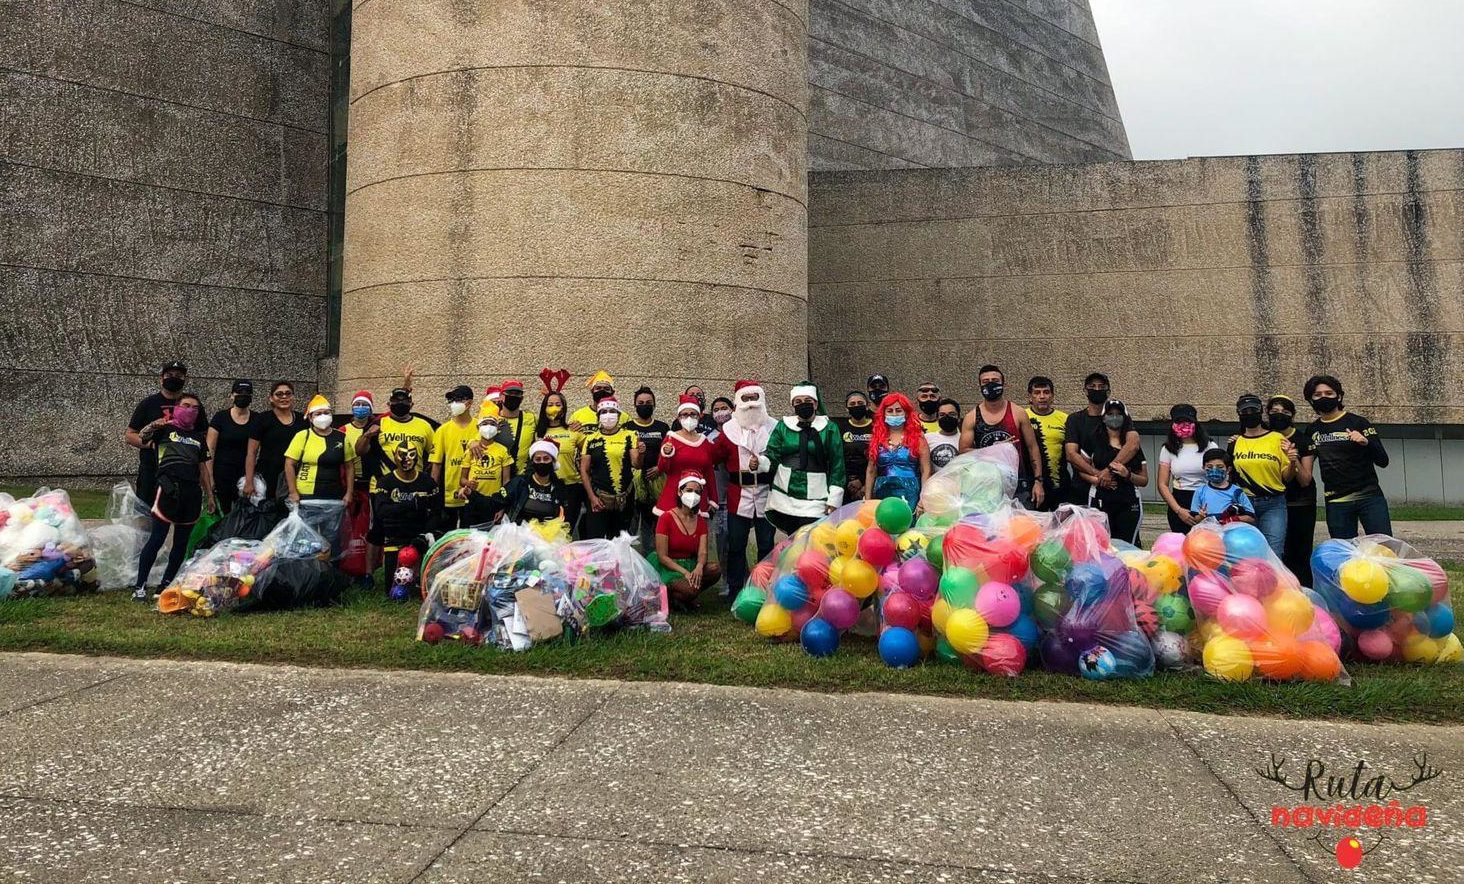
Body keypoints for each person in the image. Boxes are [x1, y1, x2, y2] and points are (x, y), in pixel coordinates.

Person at [132, 392, 213, 601]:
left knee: (181, 543)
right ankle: (139, 587)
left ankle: (164, 585)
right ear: (177, 408)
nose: (190, 410)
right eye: (186, 405)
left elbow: (203, 467)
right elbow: (142, 436)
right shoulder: (165, 430)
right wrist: (155, 424)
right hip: (168, 489)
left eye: (195, 408)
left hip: (191, 493)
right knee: (157, 538)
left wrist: (210, 495)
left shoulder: (198, 438)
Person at [1298, 375, 1392, 540]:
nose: (1324, 397)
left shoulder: (1359, 423)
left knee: (1384, 548)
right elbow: (1305, 466)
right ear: (1311, 400)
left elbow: (1383, 461)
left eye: (1329, 393)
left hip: (1369, 497)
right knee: (1344, 552)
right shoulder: (1312, 430)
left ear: (1339, 396)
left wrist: (1365, 442)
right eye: (1318, 395)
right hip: (1336, 501)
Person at [711, 380, 777, 600]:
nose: (750, 404)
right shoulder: (728, 431)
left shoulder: (775, 428)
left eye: (754, 398)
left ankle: (766, 588)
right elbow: (711, 457)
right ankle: (736, 589)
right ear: (738, 402)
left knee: (766, 544)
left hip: (766, 494)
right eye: (745, 399)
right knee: (736, 545)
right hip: (737, 494)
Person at [959, 366, 1045, 508]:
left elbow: (1032, 448)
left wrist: (1038, 482)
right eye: (986, 381)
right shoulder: (972, 417)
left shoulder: (1018, 413)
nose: (990, 384)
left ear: (1003, 384)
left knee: (1019, 528)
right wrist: (995, 450)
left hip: (1018, 484)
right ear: (980, 385)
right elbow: (963, 451)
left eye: (995, 380)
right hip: (986, 485)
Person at [765, 382, 846, 534]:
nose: (803, 405)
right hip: (785, 491)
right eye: (798, 402)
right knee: (792, 540)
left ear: (815, 404)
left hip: (817, 491)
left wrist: (835, 497)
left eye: (808, 402)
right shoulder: (783, 426)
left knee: (813, 538)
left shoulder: (829, 428)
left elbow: (837, 463)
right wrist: (760, 462)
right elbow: (772, 453)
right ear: (792, 405)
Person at [1229, 392, 1296, 558]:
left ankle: (1273, 584)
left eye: (1253, 410)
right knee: (1244, 553)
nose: (1249, 414)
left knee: (1273, 553)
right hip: (1244, 503)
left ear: (1261, 411)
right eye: (1245, 411)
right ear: (1239, 414)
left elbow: (1287, 477)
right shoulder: (1235, 442)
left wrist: (1292, 461)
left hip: (1273, 503)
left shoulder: (1276, 438)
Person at [369, 443, 439, 590]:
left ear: (417, 457)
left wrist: (427, 533)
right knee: (392, 588)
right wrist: (411, 504)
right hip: (395, 536)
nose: (406, 459)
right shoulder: (385, 482)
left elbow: (437, 512)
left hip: (419, 536)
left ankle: (421, 576)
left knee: (421, 587)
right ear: (395, 456)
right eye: (402, 455)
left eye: (411, 455)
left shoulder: (427, 482)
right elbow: (382, 511)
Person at [125, 360, 195, 506]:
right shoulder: (148, 404)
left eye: (179, 376)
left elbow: (203, 434)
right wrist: (151, 444)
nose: (174, 378)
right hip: (151, 468)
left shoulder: (192, 405)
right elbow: (130, 435)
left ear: (185, 380)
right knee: (146, 512)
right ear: (161, 378)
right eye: (170, 375)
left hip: (183, 470)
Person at [1064, 373, 1138, 505]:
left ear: (1108, 391)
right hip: (1082, 488)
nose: (1097, 389)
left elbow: (1133, 444)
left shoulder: (1118, 418)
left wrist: (1109, 470)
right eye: (1092, 386)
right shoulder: (1075, 419)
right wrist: (1098, 474)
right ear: (1085, 391)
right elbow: (1071, 454)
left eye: (1101, 386)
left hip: (1115, 490)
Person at [652, 472, 722, 610]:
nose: (693, 495)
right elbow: (662, 556)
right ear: (679, 491)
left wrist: (699, 567)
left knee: (715, 570)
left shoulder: (700, 520)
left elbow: (702, 552)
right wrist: (685, 573)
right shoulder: (666, 518)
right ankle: (672, 595)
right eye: (689, 490)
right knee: (690, 589)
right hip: (669, 566)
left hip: (690, 564)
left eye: (697, 492)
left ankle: (684, 596)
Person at [1084, 400, 1148, 546]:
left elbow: (1144, 480)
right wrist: (1098, 478)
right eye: (1110, 414)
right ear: (1103, 417)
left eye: (1118, 414)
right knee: (1101, 545)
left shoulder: (1133, 444)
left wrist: (1128, 474)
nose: (1114, 417)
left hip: (1128, 501)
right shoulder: (1093, 440)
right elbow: (1082, 470)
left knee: (1128, 546)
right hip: (1100, 499)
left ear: (1125, 417)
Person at [579, 396, 641, 539]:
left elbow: (636, 464)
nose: (608, 415)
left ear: (619, 415)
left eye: (612, 411)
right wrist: (592, 497)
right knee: (597, 542)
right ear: (598, 416)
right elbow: (584, 470)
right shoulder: (590, 439)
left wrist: (641, 453)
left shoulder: (630, 435)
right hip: (599, 498)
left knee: (620, 543)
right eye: (604, 412)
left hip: (624, 499)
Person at [1269, 394, 1315, 585]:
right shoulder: (1264, 437)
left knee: (1300, 555)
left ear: (1293, 415)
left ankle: (1304, 593)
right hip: (1272, 504)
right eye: (1274, 412)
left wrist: (1292, 458)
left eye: (1285, 412)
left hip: (1300, 504)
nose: (1279, 415)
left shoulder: (1303, 440)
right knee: (1275, 553)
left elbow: (1305, 480)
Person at [284, 394, 357, 504]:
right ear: (310, 417)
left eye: (326, 413)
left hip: (334, 494)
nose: (323, 416)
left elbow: (349, 466)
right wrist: (293, 491)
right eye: (318, 414)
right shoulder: (302, 436)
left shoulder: (341, 437)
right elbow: (289, 464)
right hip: (305, 493)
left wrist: (349, 492)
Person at [1156, 404, 1217, 533]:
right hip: (1180, 500)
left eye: (1187, 422)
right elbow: (1162, 484)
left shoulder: (1210, 446)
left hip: (1205, 500)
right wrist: (1178, 510)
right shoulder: (1167, 449)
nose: (1184, 425)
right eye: (1179, 422)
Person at [656, 395, 719, 521]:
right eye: (684, 415)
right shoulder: (671, 438)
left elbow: (709, 473)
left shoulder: (704, 441)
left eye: (693, 414)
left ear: (699, 416)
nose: (689, 417)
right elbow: (662, 468)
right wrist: (666, 455)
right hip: (673, 496)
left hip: (698, 497)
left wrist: (713, 499)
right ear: (679, 418)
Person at [866, 392, 929, 510]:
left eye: (899, 410)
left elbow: (926, 470)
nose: (894, 414)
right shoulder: (877, 438)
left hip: (910, 492)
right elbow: (871, 471)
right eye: (890, 411)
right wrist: (868, 500)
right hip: (882, 492)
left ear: (906, 413)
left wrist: (923, 498)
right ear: (883, 414)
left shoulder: (918, 438)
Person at [243, 380, 305, 499]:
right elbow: (251, 452)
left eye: (288, 393)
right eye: (279, 394)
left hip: (295, 475)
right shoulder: (262, 419)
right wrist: (249, 481)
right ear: (271, 398)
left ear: (293, 397)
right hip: (268, 475)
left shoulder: (302, 420)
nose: (284, 397)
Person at [430, 384, 480, 532]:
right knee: (447, 540)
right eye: (452, 400)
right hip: (449, 496)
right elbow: (436, 464)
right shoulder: (442, 431)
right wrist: (433, 494)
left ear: (469, 402)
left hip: (474, 493)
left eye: (457, 399)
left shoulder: (479, 427)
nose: (454, 404)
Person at [626, 386, 671, 549]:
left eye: (648, 402)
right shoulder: (627, 427)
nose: (644, 405)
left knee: (652, 527)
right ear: (635, 405)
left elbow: (669, 453)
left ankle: (650, 560)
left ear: (654, 405)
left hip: (657, 483)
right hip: (633, 484)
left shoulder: (663, 427)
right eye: (641, 402)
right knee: (631, 525)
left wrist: (659, 469)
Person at [536, 386, 584, 534]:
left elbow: (590, 454)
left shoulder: (574, 431)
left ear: (564, 408)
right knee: (545, 533)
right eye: (550, 404)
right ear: (544, 408)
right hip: (545, 487)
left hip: (571, 488)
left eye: (558, 404)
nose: (554, 408)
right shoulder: (538, 432)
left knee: (566, 532)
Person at [486, 440, 569, 525]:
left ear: (553, 461)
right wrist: (473, 494)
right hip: (520, 532)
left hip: (548, 535)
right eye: (538, 459)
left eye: (546, 458)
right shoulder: (519, 482)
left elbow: (566, 516)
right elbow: (496, 501)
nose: (542, 462)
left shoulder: (560, 487)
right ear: (532, 462)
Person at [367, 387, 436, 487]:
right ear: (389, 404)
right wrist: (366, 436)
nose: (400, 403)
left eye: (404, 401)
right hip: (383, 485)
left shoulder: (424, 425)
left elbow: (435, 456)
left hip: (415, 485)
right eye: (396, 400)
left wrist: (430, 481)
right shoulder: (379, 423)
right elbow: (360, 451)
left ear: (411, 405)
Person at [206, 379, 257, 514]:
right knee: (223, 514)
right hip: (221, 475)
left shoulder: (257, 419)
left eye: (247, 393)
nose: (243, 395)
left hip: (246, 476)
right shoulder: (220, 417)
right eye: (239, 392)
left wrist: (251, 480)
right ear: (231, 395)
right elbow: (209, 449)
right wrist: (209, 478)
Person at [457, 402, 514, 526]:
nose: (488, 426)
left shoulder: (503, 451)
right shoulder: (470, 451)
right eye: (485, 423)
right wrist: (467, 483)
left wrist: (502, 506)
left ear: (498, 428)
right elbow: (461, 480)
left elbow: (506, 482)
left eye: (492, 424)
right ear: (478, 428)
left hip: (493, 502)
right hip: (471, 501)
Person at [1025, 377, 1067, 512]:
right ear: (1030, 397)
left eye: (1046, 392)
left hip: (1060, 484)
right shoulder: (1022, 417)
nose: (1042, 397)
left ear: (1052, 396)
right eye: (1037, 393)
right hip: (1030, 485)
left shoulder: (1065, 419)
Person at [706, 395, 735, 584]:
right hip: (718, 499)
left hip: (737, 496)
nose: (720, 412)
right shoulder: (708, 439)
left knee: (736, 542)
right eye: (716, 409)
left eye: (724, 408)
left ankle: (742, 577)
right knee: (721, 542)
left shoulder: (738, 433)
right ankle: (726, 580)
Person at [1190, 449, 1255, 525]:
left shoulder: (1236, 491)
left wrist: (1233, 519)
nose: (1214, 470)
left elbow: (1251, 517)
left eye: (1220, 467)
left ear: (1228, 469)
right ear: (1203, 468)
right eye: (1209, 467)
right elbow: (1195, 518)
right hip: (1209, 532)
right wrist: (1201, 517)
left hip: (1231, 532)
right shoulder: (1200, 491)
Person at [834, 391, 875, 503]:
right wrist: (850, 481)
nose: (856, 406)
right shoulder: (839, 428)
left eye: (860, 403)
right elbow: (837, 457)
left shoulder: (876, 427)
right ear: (847, 408)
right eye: (852, 404)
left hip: (870, 483)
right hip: (845, 484)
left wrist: (863, 483)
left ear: (867, 406)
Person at [496, 379, 537, 475]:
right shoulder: (491, 419)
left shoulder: (531, 418)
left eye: (517, 394)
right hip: (495, 478)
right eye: (510, 393)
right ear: (501, 396)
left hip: (522, 479)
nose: (513, 396)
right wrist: (473, 443)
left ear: (522, 398)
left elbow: (550, 426)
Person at [924, 398, 962, 470]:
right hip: (934, 480)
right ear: (937, 419)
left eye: (952, 414)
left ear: (959, 417)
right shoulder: (927, 438)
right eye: (942, 415)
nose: (947, 417)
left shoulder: (965, 440)